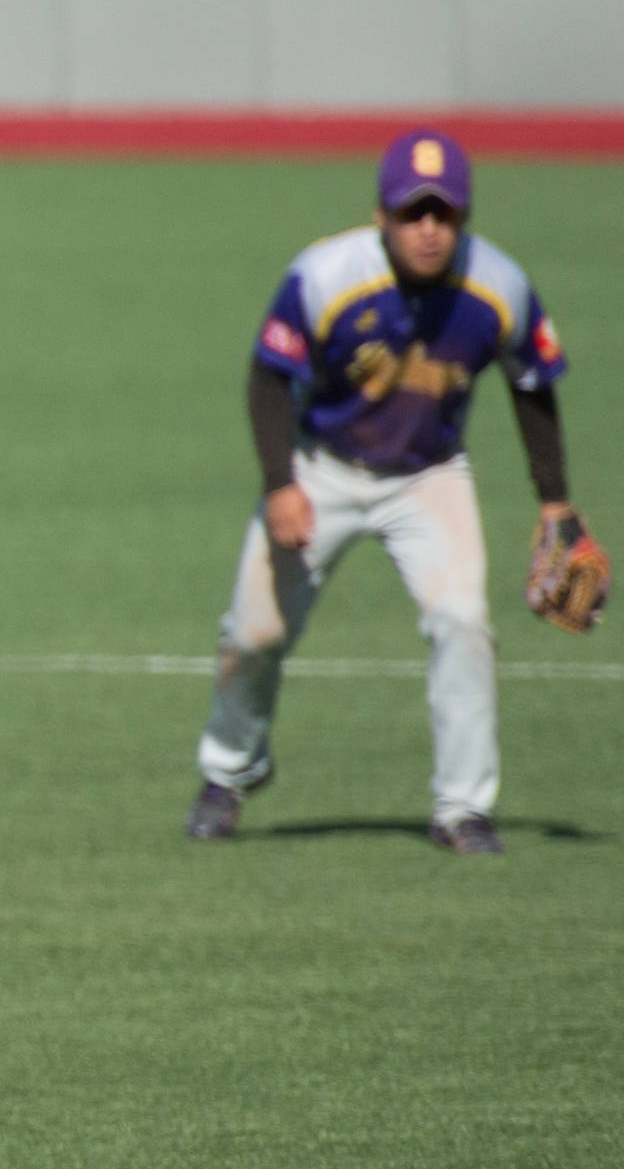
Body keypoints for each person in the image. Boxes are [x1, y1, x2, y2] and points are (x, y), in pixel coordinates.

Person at [187, 127, 579, 851]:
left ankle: (463, 808)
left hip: (430, 476)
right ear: (381, 216)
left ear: (463, 218)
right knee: (255, 631)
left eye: (443, 214)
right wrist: (280, 484)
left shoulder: (498, 285)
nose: (428, 230)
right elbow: (268, 377)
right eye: (412, 213)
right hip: (321, 466)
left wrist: (554, 498)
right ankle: (229, 774)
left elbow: (533, 385)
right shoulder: (326, 274)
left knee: (462, 620)